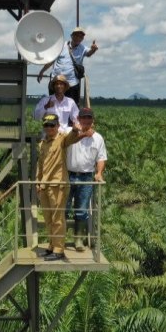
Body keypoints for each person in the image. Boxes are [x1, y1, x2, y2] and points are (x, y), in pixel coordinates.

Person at [35, 113, 91, 261]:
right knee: (48, 218)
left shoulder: (61, 139)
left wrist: (74, 129)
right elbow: (40, 165)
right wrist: (37, 181)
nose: (49, 128)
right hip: (44, 186)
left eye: (52, 125)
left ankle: (59, 249)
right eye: (46, 125)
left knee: (57, 218)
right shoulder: (42, 143)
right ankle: (51, 246)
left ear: (58, 126)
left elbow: (72, 138)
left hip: (58, 184)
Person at [65, 107, 107, 251]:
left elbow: (101, 157)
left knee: (81, 210)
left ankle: (78, 240)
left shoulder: (98, 138)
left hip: (86, 177)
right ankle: (59, 240)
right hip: (68, 175)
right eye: (83, 118)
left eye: (89, 118)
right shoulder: (69, 132)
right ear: (78, 119)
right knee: (63, 208)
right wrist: (76, 130)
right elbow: (60, 135)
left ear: (92, 120)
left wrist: (99, 172)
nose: (86, 121)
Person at [37, 26, 98, 104]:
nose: (78, 38)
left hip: (72, 84)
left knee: (71, 107)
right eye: (76, 35)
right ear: (72, 36)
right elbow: (51, 61)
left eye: (81, 36)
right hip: (56, 82)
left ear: (82, 39)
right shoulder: (61, 46)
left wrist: (93, 50)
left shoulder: (82, 48)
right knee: (54, 107)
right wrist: (42, 71)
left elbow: (89, 53)